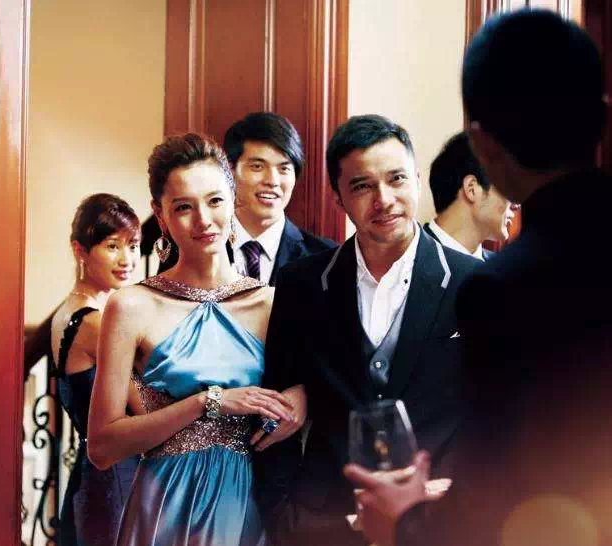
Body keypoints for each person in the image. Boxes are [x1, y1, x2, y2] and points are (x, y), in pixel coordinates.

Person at [344, 9, 612, 546]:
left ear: (483, 146)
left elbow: (494, 500)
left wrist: (402, 522)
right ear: (602, 117)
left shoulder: (506, 290)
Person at [255, 114, 479, 546]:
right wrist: (283, 517)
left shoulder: (473, 283)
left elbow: (498, 409)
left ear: (416, 180)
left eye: (397, 179)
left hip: (437, 517)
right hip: (325, 522)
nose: (384, 200)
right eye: (362, 186)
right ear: (338, 198)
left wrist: (460, 489)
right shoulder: (302, 284)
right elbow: (277, 408)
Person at [88, 133, 297, 546]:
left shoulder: (272, 304)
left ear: (233, 199)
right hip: (166, 509)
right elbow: (102, 446)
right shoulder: (130, 306)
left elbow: (314, 398)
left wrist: (300, 401)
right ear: (160, 215)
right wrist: (207, 402)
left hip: (251, 507)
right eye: (184, 207)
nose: (203, 220)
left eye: (215, 201)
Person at [50, 193, 142, 546]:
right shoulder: (95, 323)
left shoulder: (68, 311)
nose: (126, 259)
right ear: (80, 250)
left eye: (132, 246)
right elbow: (145, 406)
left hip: (94, 473)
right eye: (112, 246)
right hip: (116, 478)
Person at [158, 112, 336, 282]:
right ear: (230, 171)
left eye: (284, 169)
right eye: (257, 166)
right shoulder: (190, 246)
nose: (272, 181)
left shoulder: (326, 256)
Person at [423, 131, 517, 261]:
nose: (516, 204)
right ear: (472, 189)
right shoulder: (408, 261)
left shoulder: (503, 267)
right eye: (508, 187)